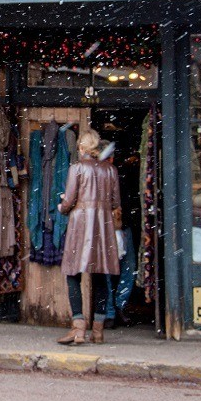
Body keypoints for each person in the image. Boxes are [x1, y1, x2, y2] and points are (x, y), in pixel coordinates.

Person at [56, 129, 122, 345]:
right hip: (102, 225)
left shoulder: (77, 168)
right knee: (101, 273)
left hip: (81, 224)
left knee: (73, 273)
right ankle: (99, 330)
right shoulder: (110, 170)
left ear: (82, 148)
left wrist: (62, 204)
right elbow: (115, 202)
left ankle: (78, 327)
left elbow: (69, 202)